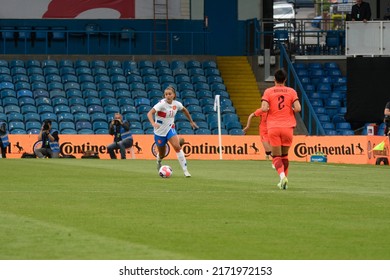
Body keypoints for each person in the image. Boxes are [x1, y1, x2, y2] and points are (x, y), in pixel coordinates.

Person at [261, 69, 301, 190]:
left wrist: (269, 108)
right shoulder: (291, 91)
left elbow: (263, 108)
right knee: (285, 155)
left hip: (273, 126)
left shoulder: (268, 91)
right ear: (285, 80)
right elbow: (298, 108)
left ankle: (282, 177)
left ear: (274, 80)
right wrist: (289, 111)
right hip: (288, 126)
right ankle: (284, 182)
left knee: (276, 156)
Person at [147, 86, 198, 177]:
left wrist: (191, 121)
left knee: (177, 147)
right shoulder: (161, 104)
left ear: (174, 95)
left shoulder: (177, 104)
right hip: (159, 132)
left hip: (170, 128)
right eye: (166, 94)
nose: (168, 96)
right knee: (162, 154)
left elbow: (184, 110)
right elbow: (149, 113)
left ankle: (185, 171)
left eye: (170, 94)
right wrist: (153, 124)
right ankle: (159, 160)